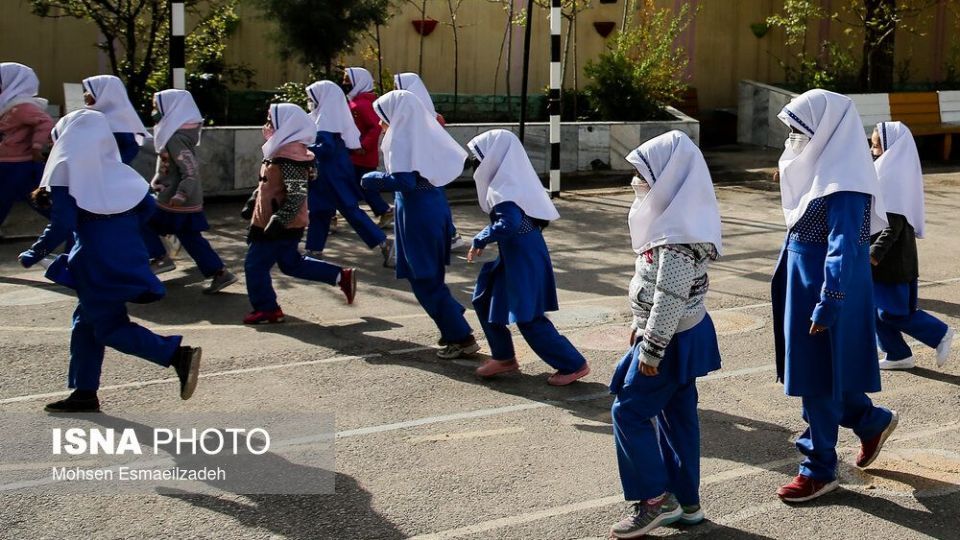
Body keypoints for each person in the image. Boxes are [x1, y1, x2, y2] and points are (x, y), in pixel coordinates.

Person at [18, 110, 200, 413]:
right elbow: (147, 209)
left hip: (94, 260)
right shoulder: (120, 172)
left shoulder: (65, 169)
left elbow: (62, 223)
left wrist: (34, 253)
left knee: (108, 327)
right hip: (129, 253)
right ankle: (84, 392)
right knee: (85, 325)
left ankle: (173, 354)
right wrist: (119, 227)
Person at [771, 89, 898, 503]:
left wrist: (830, 301)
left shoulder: (847, 181)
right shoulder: (822, 169)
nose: (793, 137)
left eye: (800, 129)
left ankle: (819, 468)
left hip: (825, 288)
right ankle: (870, 420)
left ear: (825, 130)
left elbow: (843, 248)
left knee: (817, 379)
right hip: (803, 281)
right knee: (822, 371)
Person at [607, 131, 723, 538]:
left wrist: (651, 348)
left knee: (629, 411)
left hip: (670, 341)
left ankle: (654, 499)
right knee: (677, 417)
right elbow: (657, 290)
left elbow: (669, 299)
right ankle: (687, 503)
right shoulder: (677, 220)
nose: (635, 181)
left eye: (643, 174)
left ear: (667, 178)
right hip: (676, 336)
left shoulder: (676, 237)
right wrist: (640, 324)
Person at [465, 129, 590, 385]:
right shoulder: (514, 181)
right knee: (484, 299)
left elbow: (508, 224)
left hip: (523, 259)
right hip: (515, 256)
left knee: (527, 316)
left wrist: (481, 238)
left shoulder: (505, 188)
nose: (475, 163)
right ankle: (503, 356)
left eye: (479, 156)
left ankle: (573, 364)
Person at [361, 90, 479, 359]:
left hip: (417, 212)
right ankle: (451, 319)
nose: (379, 123)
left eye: (383, 117)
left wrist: (372, 179)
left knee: (423, 278)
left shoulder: (401, 138)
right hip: (430, 206)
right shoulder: (424, 134)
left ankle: (460, 336)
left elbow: (404, 182)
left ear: (397, 116)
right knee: (428, 275)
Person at [241, 103, 357, 324]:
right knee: (291, 263)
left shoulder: (292, 156)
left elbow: (296, 194)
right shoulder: (280, 149)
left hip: (279, 225)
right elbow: (270, 185)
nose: (267, 126)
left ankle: (267, 309)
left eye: (271, 122)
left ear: (286, 125)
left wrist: (279, 220)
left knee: (255, 265)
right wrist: (253, 200)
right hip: (272, 221)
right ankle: (340, 275)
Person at [869, 121, 954, 370]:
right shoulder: (884, 170)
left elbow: (892, 225)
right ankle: (898, 354)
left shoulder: (892, 177)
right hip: (884, 260)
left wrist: (874, 254)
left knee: (891, 312)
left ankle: (939, 333)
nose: (873, 151)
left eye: (877, 145)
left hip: (892, 262)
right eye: (872, 145)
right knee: (874, 310)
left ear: (892, 147)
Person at [143, 89, 237, 294]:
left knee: (143, 222)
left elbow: (190, 170)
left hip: (177, 200)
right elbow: (169, 167)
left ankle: (161, 258)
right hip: (174, 197)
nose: (154, 111)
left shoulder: (175, 137)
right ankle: (220, 273)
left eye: (157, 106)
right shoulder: (174, 134)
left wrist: (181, 194)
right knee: (189, 237)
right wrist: (158, 181)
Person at [303, 80, 391, 264]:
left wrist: (301, 148)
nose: (310, 101)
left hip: (331, 175)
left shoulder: (326, 122)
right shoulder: (329, 119)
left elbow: (325, 148)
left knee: (348, 210)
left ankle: (384, 243)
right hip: (328, 174)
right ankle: (313, 250)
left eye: (313, 98)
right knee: (320, 211)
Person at [394, 71, 466, 250]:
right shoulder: (429, 113)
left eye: (397, 87)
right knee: (436, 198)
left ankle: (448, 234)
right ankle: (449, 234)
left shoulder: (419, 114)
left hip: (425, 165)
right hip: (431, 163)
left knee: (433, 199)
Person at [0, 62, 53, 229]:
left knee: (37, 200)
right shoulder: (7, 105)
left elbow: (45, 122)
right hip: (7, 163)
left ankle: (68, 226)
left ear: (12, 81)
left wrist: (37, 146)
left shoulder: (23, 106)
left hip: (19, 164)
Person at [343, 67, 393, 227]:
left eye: (347, 80)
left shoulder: (362, 104)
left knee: (363, 185)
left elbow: (375, 127)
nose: (344, 83)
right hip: (356, 152)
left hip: (362, 154)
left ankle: (383, 210)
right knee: (360, 185)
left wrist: (363, 146)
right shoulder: (357, 101)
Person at [81, 74, 147, 165]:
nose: (85, 94)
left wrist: (112, 165)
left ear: (105, 93)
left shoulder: (119, 120)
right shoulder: (88, 116)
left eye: (89, 91)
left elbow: (131, 148)